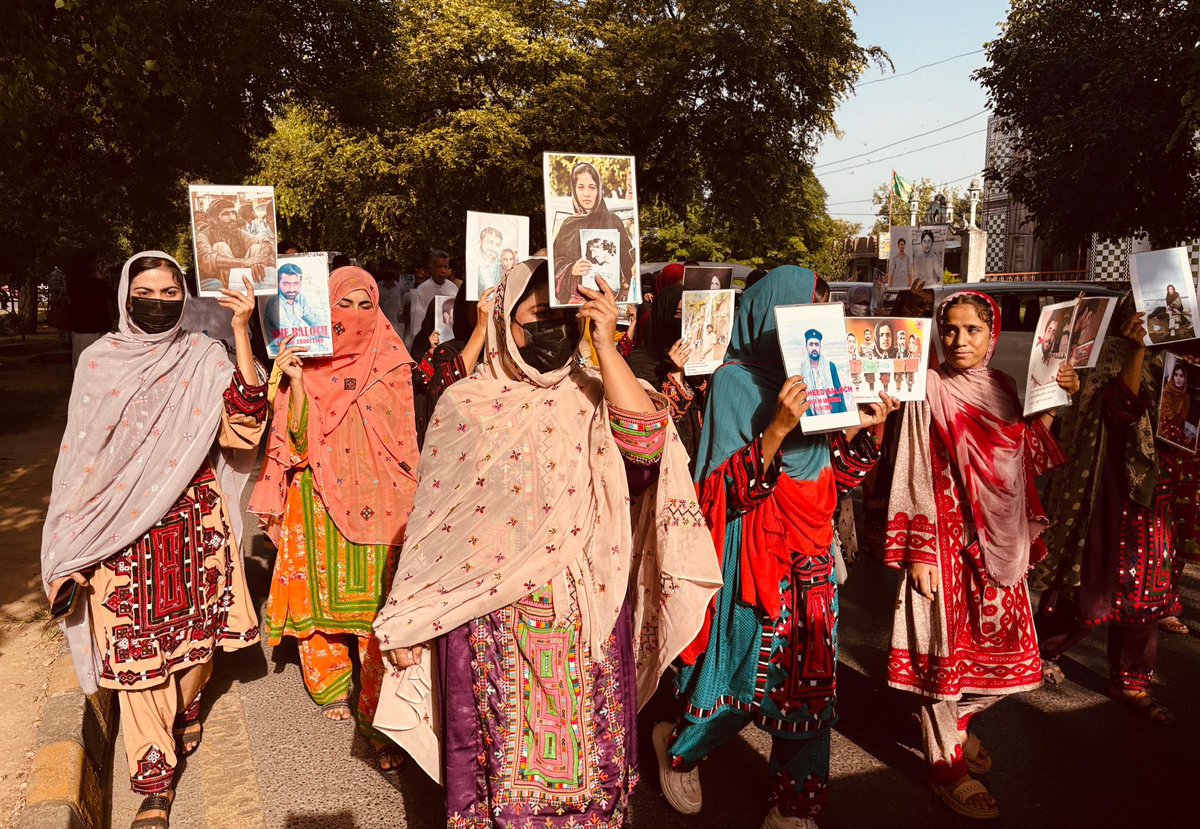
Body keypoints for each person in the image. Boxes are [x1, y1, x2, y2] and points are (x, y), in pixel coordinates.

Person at [372, 260, 722, 827]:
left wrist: (608, 349)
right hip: (493, 623)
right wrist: (410, 615)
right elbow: (436, 526)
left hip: (584, 613)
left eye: (564, 317)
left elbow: (646, 452)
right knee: (500, 769)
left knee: (589, 769)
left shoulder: (593, 393)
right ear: (506, 322)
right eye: (537, 317)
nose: (552, 330)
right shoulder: (466, 403)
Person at [655, 265, 896, 829]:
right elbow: (718, 494)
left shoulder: (819, 378)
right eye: (799, 308)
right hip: (750, 559)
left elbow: (837, 480)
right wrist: (779, 428)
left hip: (812, 559)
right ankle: (679, 748)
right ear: (767, 316)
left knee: (808, 690)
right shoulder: (736, 383)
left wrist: (864, 431)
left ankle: (794, 806)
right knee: (743, 675)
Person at [41, 252, 272, 829]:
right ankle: (153, 783)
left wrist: (241, 330)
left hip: (196, 527)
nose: (160, 301)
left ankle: (189, 702)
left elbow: (243, 423)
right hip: (120, 538)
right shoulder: (99, 363)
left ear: (185, 295)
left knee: (198, 645)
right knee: (135, 659)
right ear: (126, 295)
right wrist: (70, 549)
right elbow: (81, 463)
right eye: (147, 291)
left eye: (172, 292)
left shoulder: (203, 354)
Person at [885, 291, 1077, 821]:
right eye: (949, 329)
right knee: (941, 659)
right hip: (943, 543)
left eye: (972, 330)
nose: (959, 341)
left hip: (999, 545)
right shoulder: (925, 387)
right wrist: (918, 548)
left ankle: (958, 726)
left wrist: (1056, 401)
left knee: (1015, 662)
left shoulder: (1003, 387)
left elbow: (1023, 456)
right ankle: (944, 768)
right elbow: (912, 467)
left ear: (991, 335)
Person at [248, 266, 418, 773]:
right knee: (317, 596)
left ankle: (377, 720)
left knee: (378, 608)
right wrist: (297, 383)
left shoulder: (391, 361)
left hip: (383, 501)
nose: (359, 316)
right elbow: (294, 444)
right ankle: (329, 682)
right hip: (317, 497)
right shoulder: (307, 364)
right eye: (346, 304)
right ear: (325, 309)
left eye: (368, 304)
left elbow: (407, 441)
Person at [1033, 301, 1193, 722]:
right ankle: (1038, 651)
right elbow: (1122, 411)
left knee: (1147, 591)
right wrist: (1135, 351)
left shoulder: (1179, 363)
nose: (1149, 326)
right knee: (1090, 585)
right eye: (1139, 317)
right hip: (1107, 492)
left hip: (1157, 496)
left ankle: (1132, 680)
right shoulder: (1103, 359)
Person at [627, 282, 707, 471]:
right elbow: (654, 420)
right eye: (679, 314)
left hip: (699, 458)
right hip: (665, 465)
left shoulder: (700, 361)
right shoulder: (639, 363)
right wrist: (676, 372)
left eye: (690, 316)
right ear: (663, 313)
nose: (684, 323)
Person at [552, 161, 636, 304]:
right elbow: (555, 262)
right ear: (574, 189)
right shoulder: (568, 225)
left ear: (599, 190)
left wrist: (634, 269)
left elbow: (627, 261)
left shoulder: (613, 222)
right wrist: (571, 269)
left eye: (592, 187)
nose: (586, 194)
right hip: (577, 303)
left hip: (609, 300)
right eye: (581, 187)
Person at [194, 198, 274, 293]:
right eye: (226, 214)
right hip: (218, 285)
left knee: (257, 248)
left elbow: (265, 242)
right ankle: (234, 291)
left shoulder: (238, 232)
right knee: (220, 247)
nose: (231, 217)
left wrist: (260, 258)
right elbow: (207, 258)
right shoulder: (203, 235)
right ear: (214, 219)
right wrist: (245, 262)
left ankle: (253, 290)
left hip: (241, 279)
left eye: (233, 213)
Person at [63, 250, 117, 369]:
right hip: (95, 330)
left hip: (79, 329)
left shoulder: (72, 283)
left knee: (81, 363)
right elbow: (114, 296)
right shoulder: (96, 284)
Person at [406, 249, 459, 350]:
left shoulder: (453, 288)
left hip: (449, 340)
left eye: (446, 267)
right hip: (428, 343)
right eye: (439, 267)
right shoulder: (421, 290)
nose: (443, 271)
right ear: (431, 268)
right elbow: (417, 324)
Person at [263, 262, 323, 348]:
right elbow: (289, 335)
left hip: (298, 347)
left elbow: (313, 320)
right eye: (286, 284)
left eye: (295, 283)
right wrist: (314, 339)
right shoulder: (275, 304)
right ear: (278, 283)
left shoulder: (300, 298)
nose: (291, 289)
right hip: (280, 352)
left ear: (300, 282)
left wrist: (325, 331)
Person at [800, 329, 848, 416]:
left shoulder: (830, 366)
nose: (814, 348)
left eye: (816, 344)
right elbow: (805, 399)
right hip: (816, 415)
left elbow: (839, 392)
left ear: (820, 347)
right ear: (806, 347)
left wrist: (844, 414)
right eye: (811, 344)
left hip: (833, 413)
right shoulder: (803, 370)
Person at [475, 226, 504, 293]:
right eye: (490, 242)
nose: (493, 248)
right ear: (481, 242)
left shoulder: (502, 267)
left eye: (497, 245)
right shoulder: (473, 265)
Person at [875, 322, 896, 395]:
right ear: (877, 338)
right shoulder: (871, 355)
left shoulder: (898, 353)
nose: (885, 338)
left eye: (888, 335)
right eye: (881, 335)